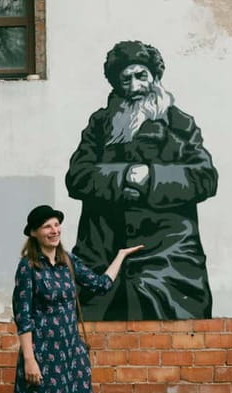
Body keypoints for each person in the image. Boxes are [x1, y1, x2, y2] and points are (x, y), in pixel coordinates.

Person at [65, 40, 218, 321]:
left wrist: (151, 177)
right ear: (116, 84)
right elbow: (77, 176)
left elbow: (205, 177)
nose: (134, 87)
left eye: (141, 76)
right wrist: (123, 175)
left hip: (169, 260)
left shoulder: (180, 124)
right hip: (103, 256)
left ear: (155, 78)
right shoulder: (100, 125)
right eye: (126, 79)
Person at [12, 204, 142, 393]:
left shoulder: (68, 261)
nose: (54, 229)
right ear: (34, 233)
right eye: (47, 226)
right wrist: (30, 359)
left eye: (56, 224)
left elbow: (100, 285)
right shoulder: (27, 268)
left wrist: (119, 257)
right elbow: (23, 316)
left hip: (71, 351)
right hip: (43, 353)